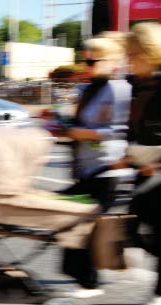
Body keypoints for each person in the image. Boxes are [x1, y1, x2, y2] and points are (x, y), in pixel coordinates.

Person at [111, 22, 161, 305]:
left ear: (148, 51)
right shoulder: (137, 85)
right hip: (144, 166)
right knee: (139, 223)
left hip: (154, 168)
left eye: (132, 53)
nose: (128, 58)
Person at [60, 36, 131, 210]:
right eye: (85, 60)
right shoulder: (87, 88)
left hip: (106, 169)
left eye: (91, 61)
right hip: (85, 168)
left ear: (110, 61)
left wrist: (83, 133)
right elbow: (81, 121)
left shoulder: (118, 88)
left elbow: (120, 132)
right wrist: (63, 125)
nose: (86, 65)